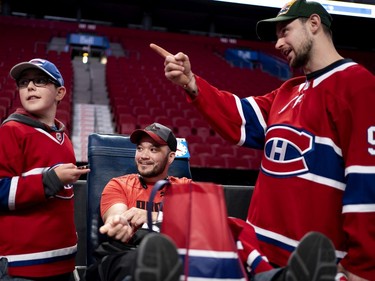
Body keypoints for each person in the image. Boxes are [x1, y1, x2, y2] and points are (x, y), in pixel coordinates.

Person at [151, 0, 375, 280]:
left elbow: (367, 182)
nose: (278, 43)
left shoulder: (357, 84)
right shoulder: (288, 91)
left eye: (285, 31)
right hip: (259, 255)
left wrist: (363, 266)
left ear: (314, 24)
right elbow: (238, 119)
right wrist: (191, 82)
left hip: (312, 263)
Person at [0, 58, 90, 280]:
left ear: (60, 93)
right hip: (23, 266)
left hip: (64, 262)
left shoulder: (63, 136)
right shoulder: (11, 130)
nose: (30, 86)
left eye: (40, 81)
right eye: (23, 83)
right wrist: (50, 180)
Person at [85, 122, 191, 281]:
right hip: (127, 255)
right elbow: (117, 215)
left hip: (173, 256)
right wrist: (120, 223)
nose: (143, 156)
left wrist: (153, 216)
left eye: (153, 149)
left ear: (171, 157)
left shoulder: (185, 187)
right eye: (140, 148)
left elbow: (202, 221)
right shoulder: (119, 184)